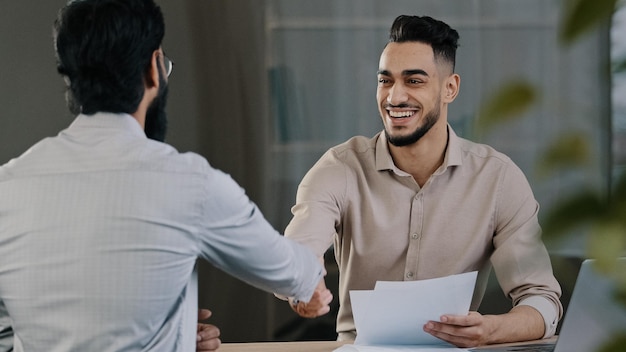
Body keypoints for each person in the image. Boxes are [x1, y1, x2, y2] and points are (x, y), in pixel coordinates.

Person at [0, 0, 328, 351]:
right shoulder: (191, 184)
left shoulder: (8, 185)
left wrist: (177, 333)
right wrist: (312, 290)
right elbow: (298, 275)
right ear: (154, 68)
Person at [282, 15, 563, 348]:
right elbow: (297, 255)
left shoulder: (497, 178)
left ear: (450, 88)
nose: (394, 97)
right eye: (386, 80)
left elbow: (542, 301)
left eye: (414, 81)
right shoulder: (339, 169)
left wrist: (490, 330)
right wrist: (302, 287)